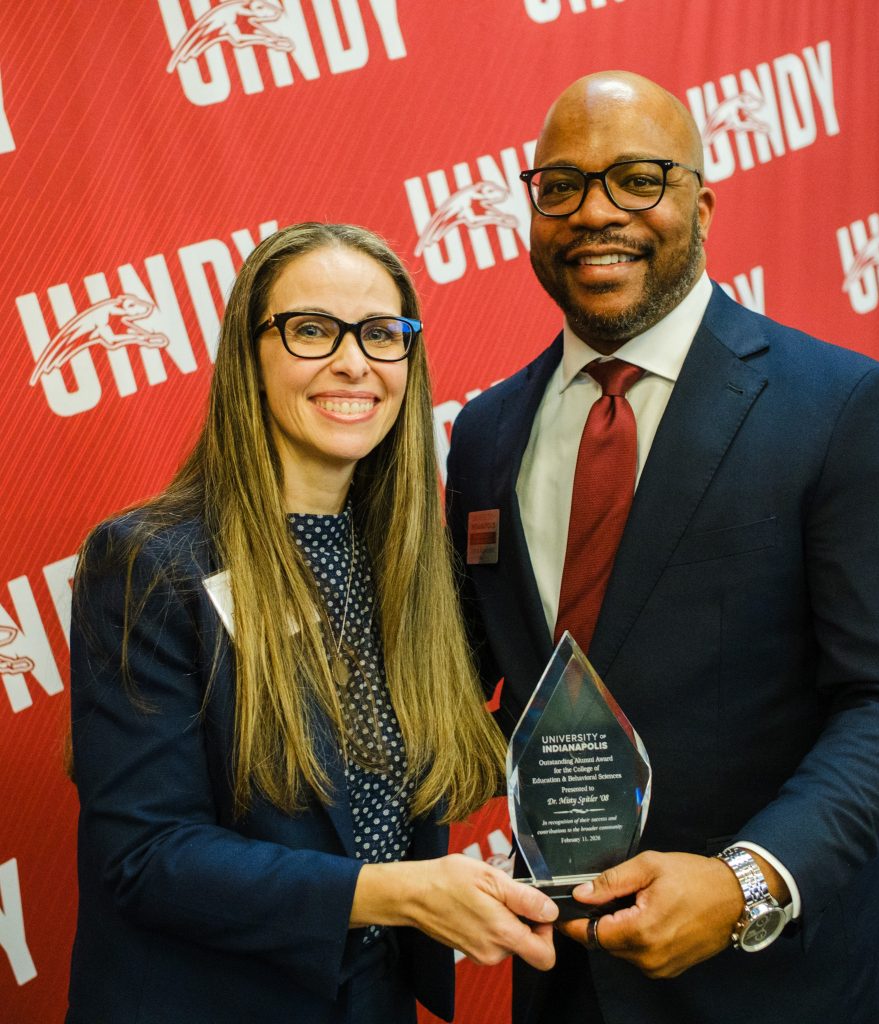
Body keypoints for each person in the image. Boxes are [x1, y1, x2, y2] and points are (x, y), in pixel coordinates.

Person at [445, 71, 879, 1024]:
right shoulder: (483, 435)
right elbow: (472, 679)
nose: (596, 213)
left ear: (703, 205)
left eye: (639, 178)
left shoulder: (842, 407)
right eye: (560, 186)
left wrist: (745, 884)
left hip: (779, 983)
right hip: (562, 980)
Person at [67, 222, 558, 1024]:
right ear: (248, 357)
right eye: (312, 330)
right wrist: (391, 893)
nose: (353, 361)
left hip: (372, 999)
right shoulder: (151, 561)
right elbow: (145, 858)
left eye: (381, 334)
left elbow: (432, 761)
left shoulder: (415, 567)